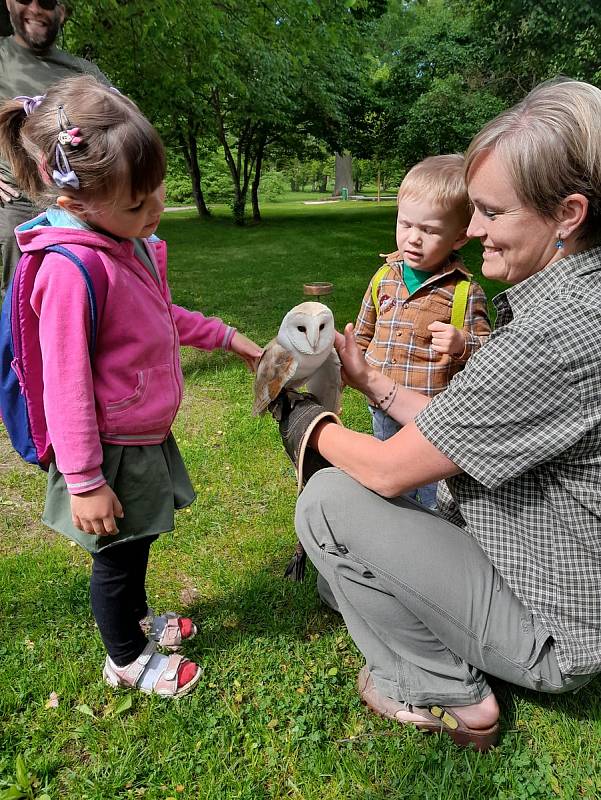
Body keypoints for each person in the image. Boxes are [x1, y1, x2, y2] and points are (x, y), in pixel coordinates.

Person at [276, 77, 601, 750]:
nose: (471, 227)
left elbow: (393, 469)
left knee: (327, 503)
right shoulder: (580, 300)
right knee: (344, 575)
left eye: (488, 210)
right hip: (551, 573)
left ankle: (451, 693)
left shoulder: (555, 336)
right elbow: (473, 421)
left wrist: (300, 418)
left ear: (566, 213)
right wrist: (374, 385)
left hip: (555, 629)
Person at [0, 76, 263, 696]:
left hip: (138, 435)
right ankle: (126, 658)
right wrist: (86, 482)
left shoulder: (127, 243)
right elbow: (64, 385)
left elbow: (159, 316)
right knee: (115, 560)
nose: (155, 212)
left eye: (156, 192)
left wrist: (227, 337)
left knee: (137, 542)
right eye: (137, 204)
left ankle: (138, 625)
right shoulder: (73, 269)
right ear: (75, 201)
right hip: (105, 449)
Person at [354, 154, 491, 508]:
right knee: (391, 483)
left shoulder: (463, 291)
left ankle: (431, 533)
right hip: (382, 407)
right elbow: (365, 329)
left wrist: (463, 343)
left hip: (429, 413)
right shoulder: (385, 277)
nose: (413, 238)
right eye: (405, 224)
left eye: (429, 230)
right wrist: (348, 361)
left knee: (430, 494)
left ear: (459, 237)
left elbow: (489, 351)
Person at [0, 0, 108, 295]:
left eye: (46, 1)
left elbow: (115, 128)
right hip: (18, 204)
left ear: (62, 10)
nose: (35, 8)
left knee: (85, 295)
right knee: (24, 303)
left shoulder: (84, 71)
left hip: (79, 205)